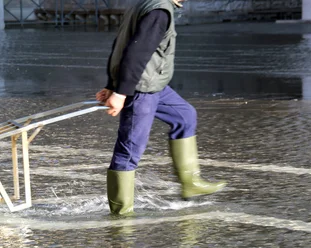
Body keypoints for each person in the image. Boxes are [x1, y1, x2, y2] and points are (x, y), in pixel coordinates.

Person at [96, 0, 226, 215]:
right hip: (142, 88)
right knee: (130, 149)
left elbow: (122, 43)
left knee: (185, 116)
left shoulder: (146, 4)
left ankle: (190, 183)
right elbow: (135, 53)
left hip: (155, 85)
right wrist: (119, 92)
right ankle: (121, 212)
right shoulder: (158, 11)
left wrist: (112, 84)